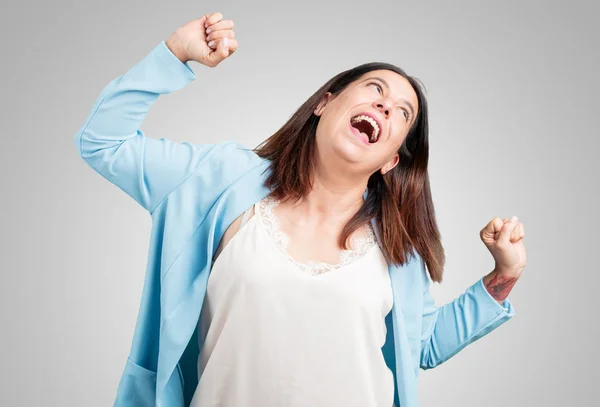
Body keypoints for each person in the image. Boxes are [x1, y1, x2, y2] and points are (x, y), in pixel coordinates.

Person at [73, 11, 526, 407]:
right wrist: (174, 55)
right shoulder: (217, 179)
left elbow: (422, 346)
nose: (386, 105)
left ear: (391, 160)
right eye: (374, 89)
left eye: (403, 114)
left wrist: (503, 277)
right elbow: (103, 143)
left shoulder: (395, 246)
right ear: (324, 103)